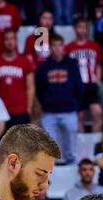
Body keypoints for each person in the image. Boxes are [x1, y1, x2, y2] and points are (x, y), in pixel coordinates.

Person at [36, 34, 83, 163]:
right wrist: (45, 102)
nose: (57, 48)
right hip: (49, 112)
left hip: (69, 110)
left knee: (71, 147)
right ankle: (52, 171)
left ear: (64, 47)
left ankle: (72, 165)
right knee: (50, 148)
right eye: (54, 45)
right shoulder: (43, 67)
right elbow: (39, 89)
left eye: (59, 45)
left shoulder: (72, 64)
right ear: (50, 47)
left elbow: (78, 87)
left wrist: (77, 107)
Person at [65, 14, 103, 133]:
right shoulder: (68, 48)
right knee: (79, 116)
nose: (82, 30)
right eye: (80, 27)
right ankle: (81, 144)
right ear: (75, 28)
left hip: (91, 84)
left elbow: (98, 65)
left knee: (97, 113)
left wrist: (97, 79)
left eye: (84, 27)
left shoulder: (94, 46)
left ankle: (95, 143)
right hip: (76, 86)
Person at [0, 27, 36, 128]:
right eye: (7, 39)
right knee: (2, 144)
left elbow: (30, 87)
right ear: (3, 41)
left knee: (21, 144)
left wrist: (28, 108)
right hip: (0, 112)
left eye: (12, 39)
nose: (10, 42)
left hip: (21, 112)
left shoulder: (25, 62)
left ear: (16, 41)